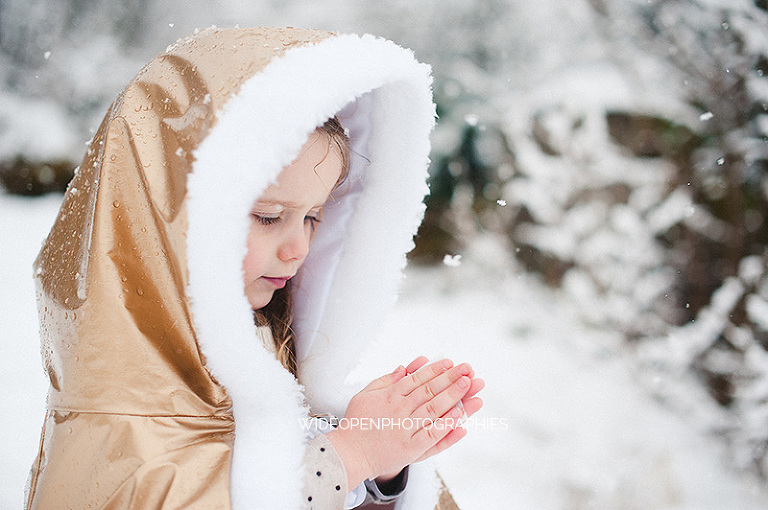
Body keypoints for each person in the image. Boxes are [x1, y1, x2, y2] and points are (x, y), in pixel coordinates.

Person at [25, 27, 484, 510]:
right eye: (268, 217)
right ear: (176, 221)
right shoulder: (122, 409)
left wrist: (382, 468)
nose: (298, 248)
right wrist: (347, 458)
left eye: (313, 218)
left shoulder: (271, 351)